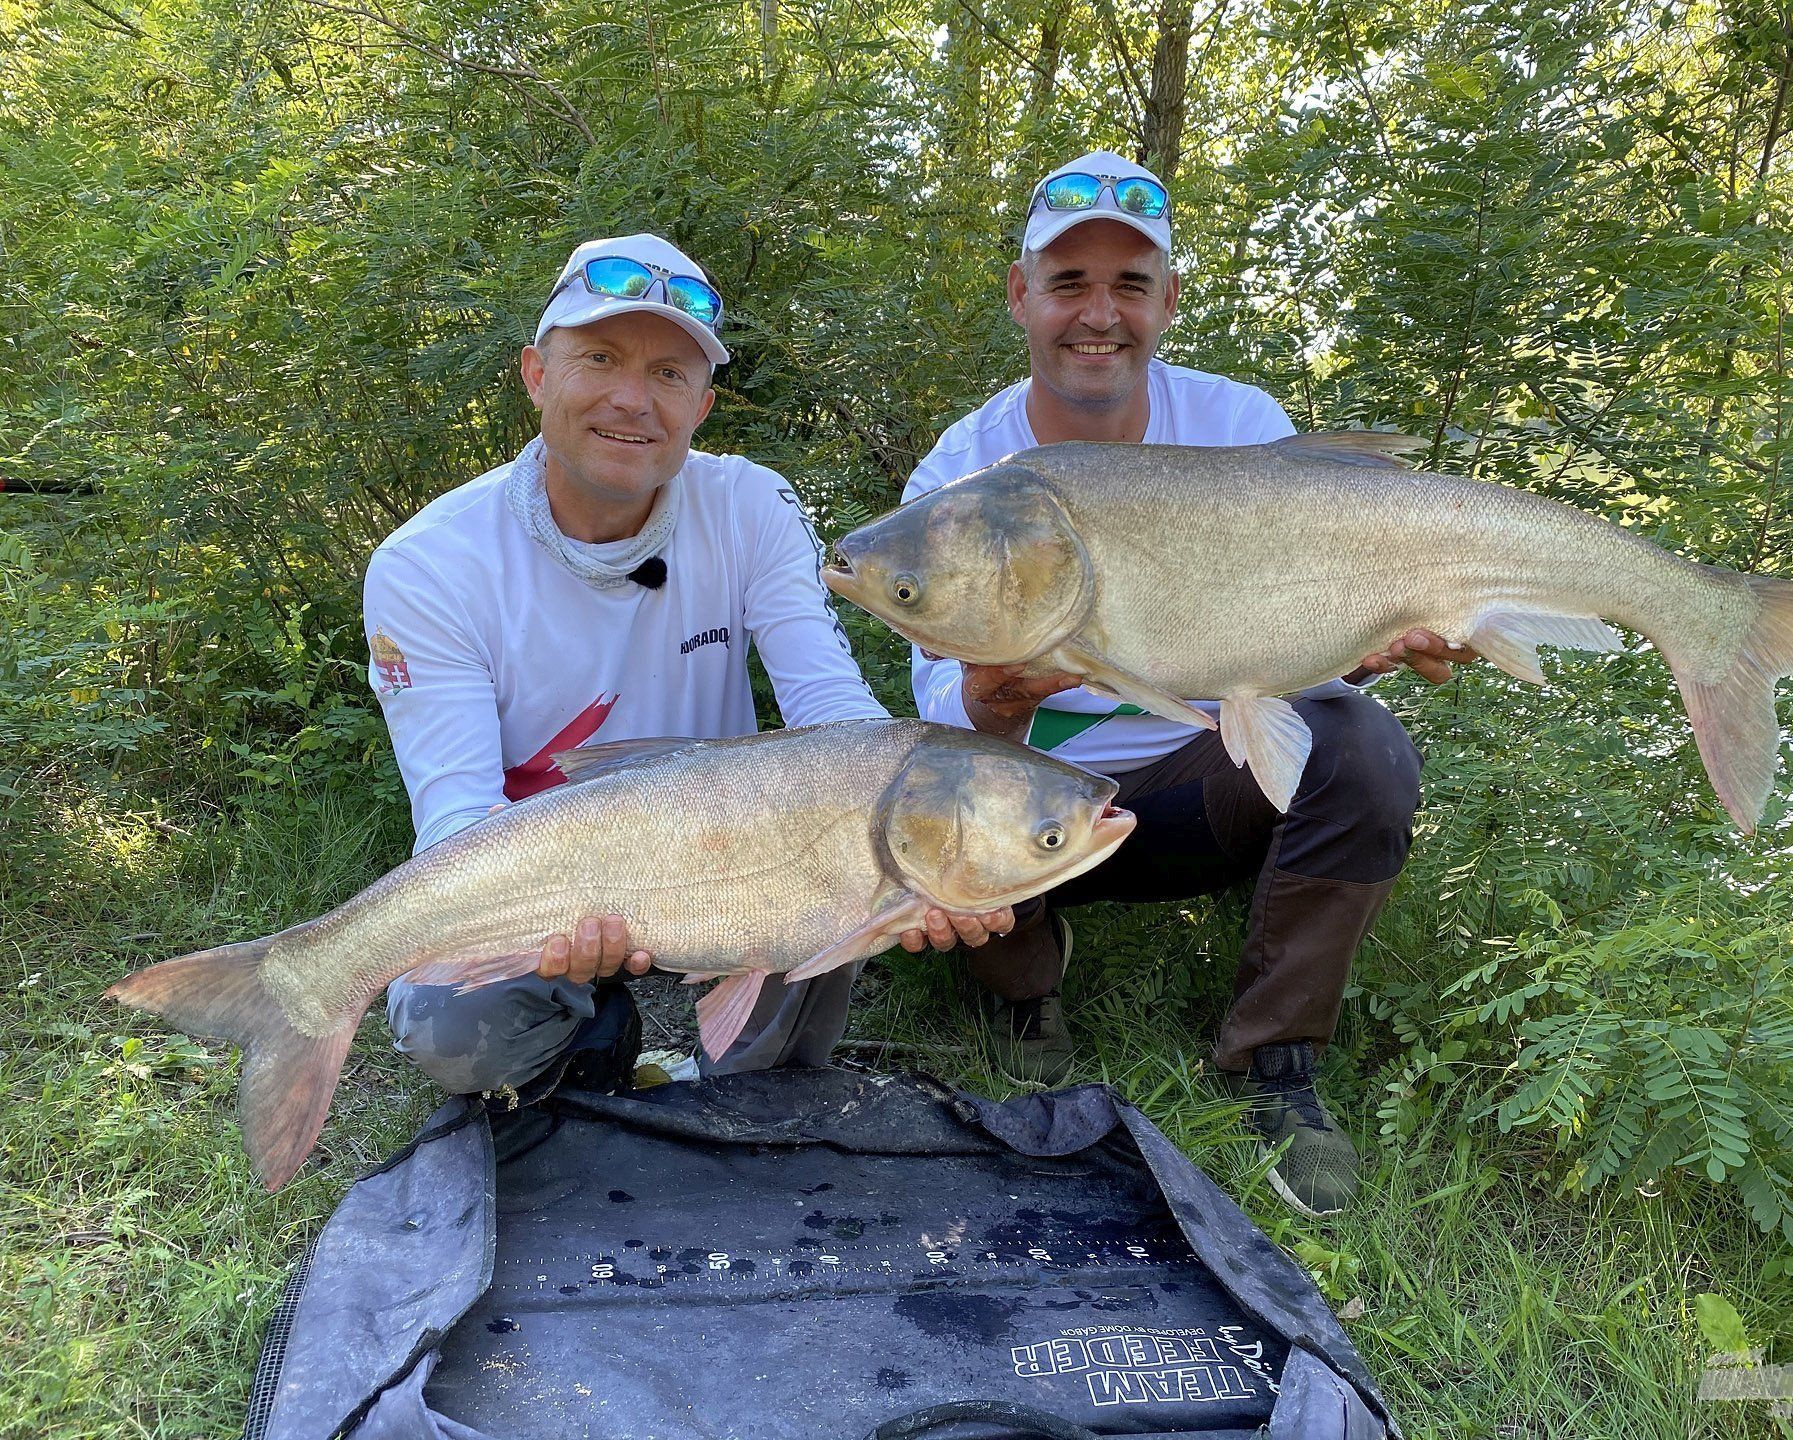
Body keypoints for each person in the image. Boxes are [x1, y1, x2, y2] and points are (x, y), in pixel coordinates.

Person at [902, 153, 1474, 1216]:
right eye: (1070, 283)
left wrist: (1374, 638)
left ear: (1168, 301)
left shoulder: (1237, 427)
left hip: (1198, 784)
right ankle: (1026, 987)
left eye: (1130, 285)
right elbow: (939, 704)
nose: (1099, 315)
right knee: (926, 783)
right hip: (1030, 810)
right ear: (1021, 296)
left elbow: (1291, 639)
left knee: (1363, 742)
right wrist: (997, 698)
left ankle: (1277, 1063)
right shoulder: (961, 474)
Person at [364, 232, 1009, 1102]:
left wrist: (927, 842)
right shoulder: (428, 563)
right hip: (541, 871)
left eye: (670, 374)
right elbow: (456, 816)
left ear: (702, 408)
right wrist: (558, 920)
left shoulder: (750, 503)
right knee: (445, 1021)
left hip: (733, 849)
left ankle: (747, 1096)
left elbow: (832, 709)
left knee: (835, 854)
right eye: (599, 358)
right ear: (535, 375)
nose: (634, 400)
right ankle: (591, 1044)